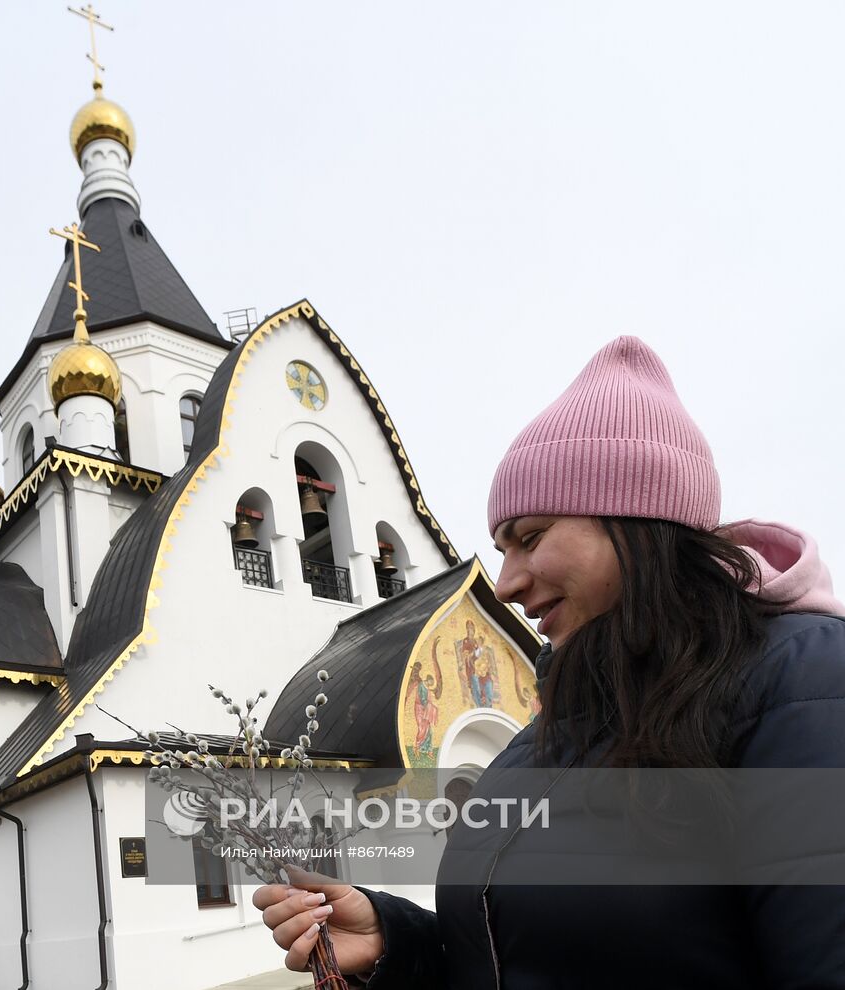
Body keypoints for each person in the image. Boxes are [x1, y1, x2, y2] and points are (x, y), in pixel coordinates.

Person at [253, 337, 845, 988]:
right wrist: (397, 941)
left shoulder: (803, 685)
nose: (506, 584)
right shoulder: (547, 735)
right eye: (502, 549)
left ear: (639, 521)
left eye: (531, 538)